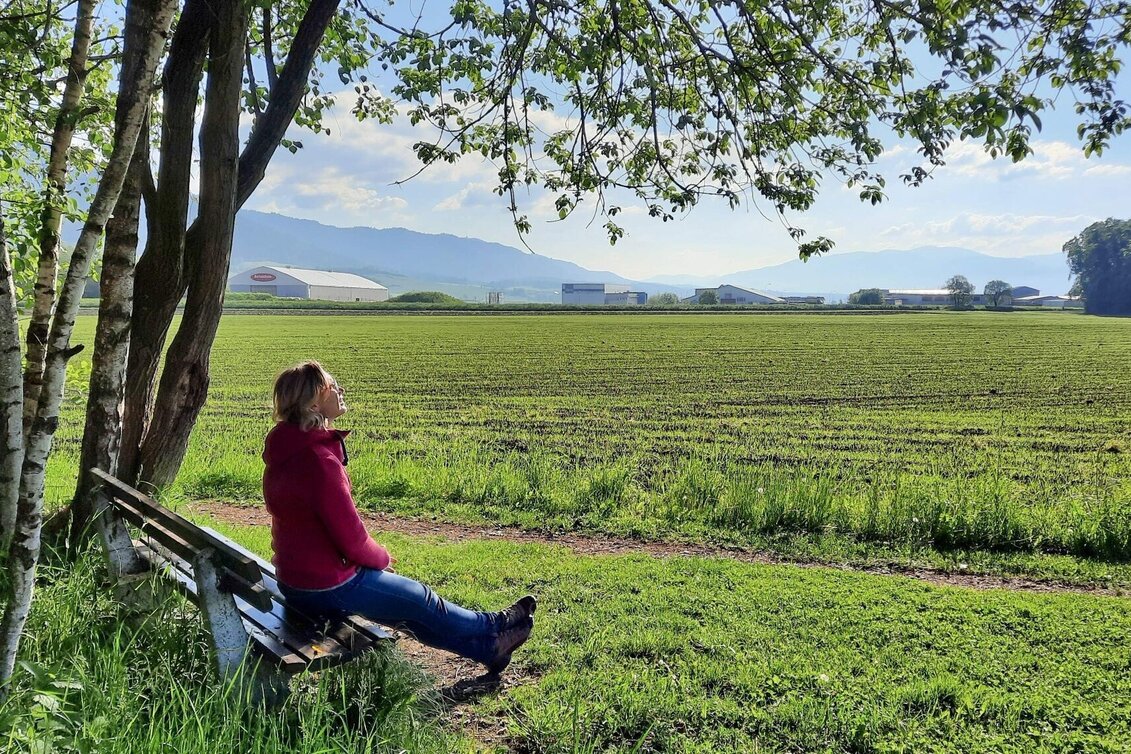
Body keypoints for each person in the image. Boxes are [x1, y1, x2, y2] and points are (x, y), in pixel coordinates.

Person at [263, 360, 535, 674]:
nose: (340, 390)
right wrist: (381, 559)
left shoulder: (284, 452)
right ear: (314, 403)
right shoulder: (318, 461)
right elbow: (352, 538)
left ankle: (489, 650)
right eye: (332, 386)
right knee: (423, 600)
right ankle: (496, 623)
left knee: (408, 611)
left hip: (294, 581)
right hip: (326, 584)